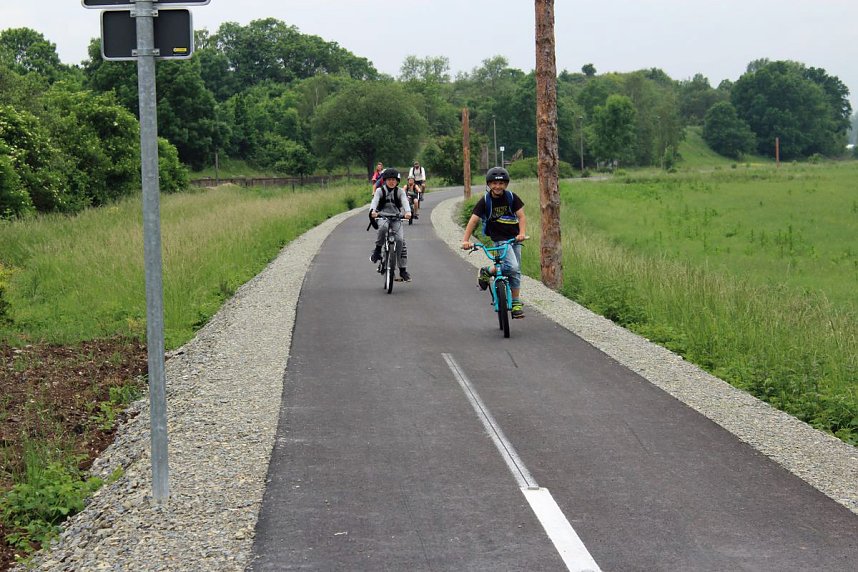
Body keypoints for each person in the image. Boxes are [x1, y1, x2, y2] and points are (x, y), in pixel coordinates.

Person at [460, 166, 527, 318]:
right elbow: (474, 220)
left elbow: (521, 217)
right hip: (499, 239)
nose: (498, 186)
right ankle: (489, 272)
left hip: (514, 238)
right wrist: (465, 240)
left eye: (501, 183)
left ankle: (515, 301)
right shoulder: (485, 201)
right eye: (494, 183)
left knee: (515, 271)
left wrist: (522, 233)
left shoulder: (511, 197)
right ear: (489, 184)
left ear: (506, 184)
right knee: (513, 267)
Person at [370, 168, 412, 281]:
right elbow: (374, 201)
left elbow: (405, 202)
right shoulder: (380, 191)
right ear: (385, 180)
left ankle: (402, 270)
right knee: (383, 228)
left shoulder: (400, 191)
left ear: (397, 181)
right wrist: (373, 211)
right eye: (389, 179)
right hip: (383, 216)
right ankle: (378, 250)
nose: (391, 182)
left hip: (397, 217)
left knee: (400, 240)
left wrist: (408, 212)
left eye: (394, 179)